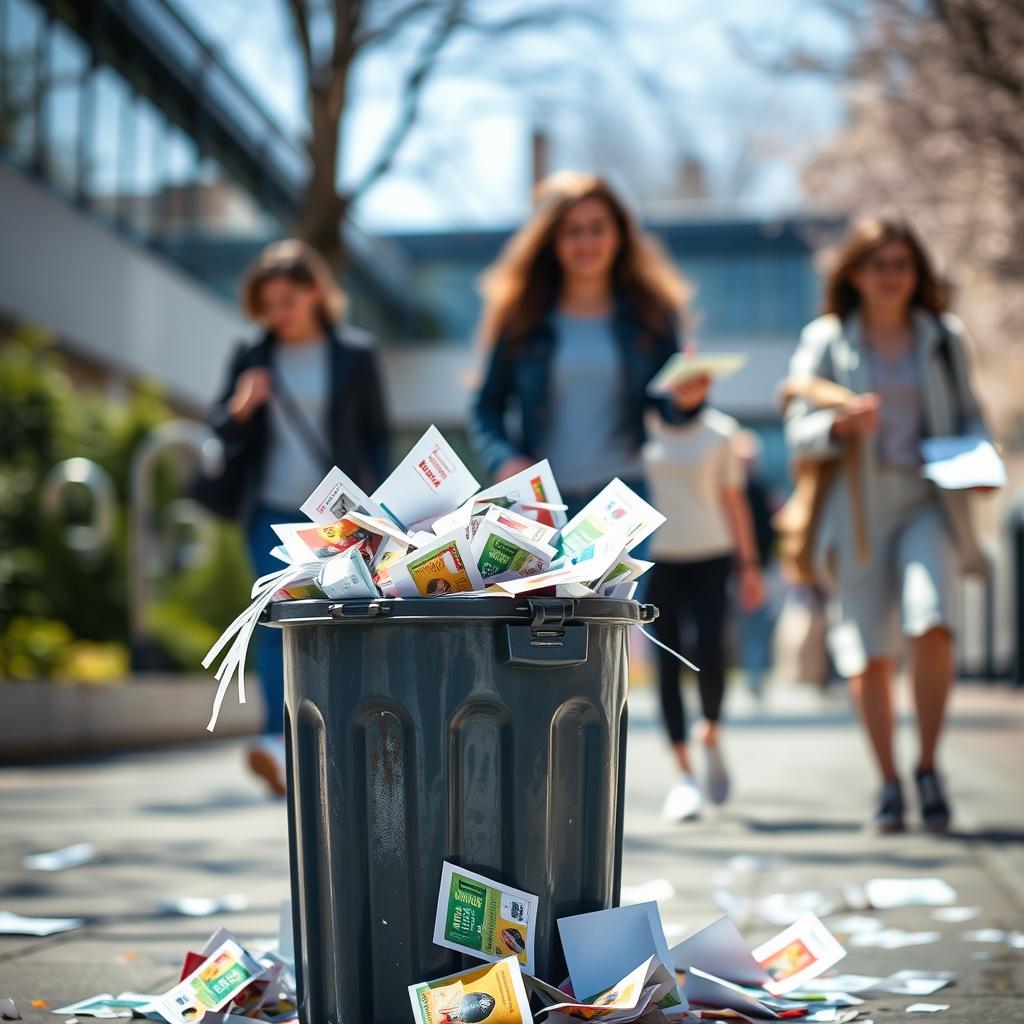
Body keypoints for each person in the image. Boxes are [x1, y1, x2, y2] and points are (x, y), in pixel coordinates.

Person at [783, 217, 993, 833]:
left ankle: (927, 766)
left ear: (916, 273)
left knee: (932, 620)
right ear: (855, 274)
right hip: (856, 509)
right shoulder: (827, 340)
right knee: (869, 651)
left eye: (902, 265)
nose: (891, 277)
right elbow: (796, 427)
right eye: (879, 265)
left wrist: (982, 462)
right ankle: (889, 784)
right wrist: (838, 426)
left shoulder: (942, 337)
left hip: (928, 500)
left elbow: (972, 417)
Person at [208, 239, 390, 796]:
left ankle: (343, 741)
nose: (278, 314)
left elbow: (377, 436)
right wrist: (241, 406)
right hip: (268, 511)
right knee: (275, 624)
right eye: (268, 305)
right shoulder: (251, 353)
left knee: (345, 622)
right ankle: (277, 744)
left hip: (336, 520)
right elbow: (221, 426)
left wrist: (380, 507)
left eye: (287, 301)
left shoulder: (355, 354)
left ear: (314, 293)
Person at [469, 170, 699, 518]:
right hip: (542, 501)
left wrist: (687, 401)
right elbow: (486, 407)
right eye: (573, 231)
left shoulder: (649, 315)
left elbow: (667, 407)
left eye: (597, 228)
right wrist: (504, 460)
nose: (586, 242)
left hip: (623, 501)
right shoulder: (522, 318)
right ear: (554, 241)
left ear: (618, 236)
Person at [643, 376, 767, 821]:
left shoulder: (721, 432)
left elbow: (734, 500)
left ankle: (711, 730)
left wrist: (749, 566)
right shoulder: (643, 427)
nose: (691, 388)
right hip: (658, 558)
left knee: (711, 651)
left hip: (712, 554)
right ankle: (684, 776)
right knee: (666, 663)